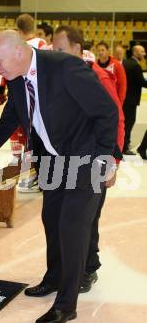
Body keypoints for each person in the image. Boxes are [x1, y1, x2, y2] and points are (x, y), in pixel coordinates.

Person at [0, 30, 118, 323]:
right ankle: (54, 277)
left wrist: (107, 158)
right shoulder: (17, 80)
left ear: (18, 52)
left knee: (72, 226)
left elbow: (106, 112)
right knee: (51, 220)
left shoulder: (65, 68)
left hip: (87, 159)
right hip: (53, 161)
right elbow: (6, 124)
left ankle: (66, 304)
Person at [53, 25, 124, 292]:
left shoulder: (97, 77)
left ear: (77, 49)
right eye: (53, 50)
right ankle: (70, 265)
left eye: (61, 49)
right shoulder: (60, 77)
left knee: (87, 218)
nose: (56, 55)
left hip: (96, 159)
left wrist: (112, 163)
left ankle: (88, 267)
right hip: (69, 160)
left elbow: (116, 118)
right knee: (68, 217)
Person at [0, 13, 46, 193]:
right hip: (40, 98)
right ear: (34, 27)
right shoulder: (43, 44)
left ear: (18, 29)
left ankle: (22, 164)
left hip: (19, 96)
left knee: (16, 129)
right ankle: (37, 173)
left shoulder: (15, 46)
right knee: (37, 136)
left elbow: (1, 72)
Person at [122, 45, 147, 155]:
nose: (144, 53)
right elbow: (142, 82)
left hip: (124, 98)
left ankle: (122, 144)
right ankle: (124, 146)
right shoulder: (135, 66)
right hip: (131, 100)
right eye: (142, 51)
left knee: (124, 123)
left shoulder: (125, 62)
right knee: (129, 123)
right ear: (135, 52)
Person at [96, 41, 127, 105]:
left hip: (113, 100)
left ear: (108, 51)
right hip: (99, 100)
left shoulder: (117, 65)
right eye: (98, 50)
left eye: (102, 50)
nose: (100, 52)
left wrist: (120, 102)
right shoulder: (94, 65)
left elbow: (122, 85)